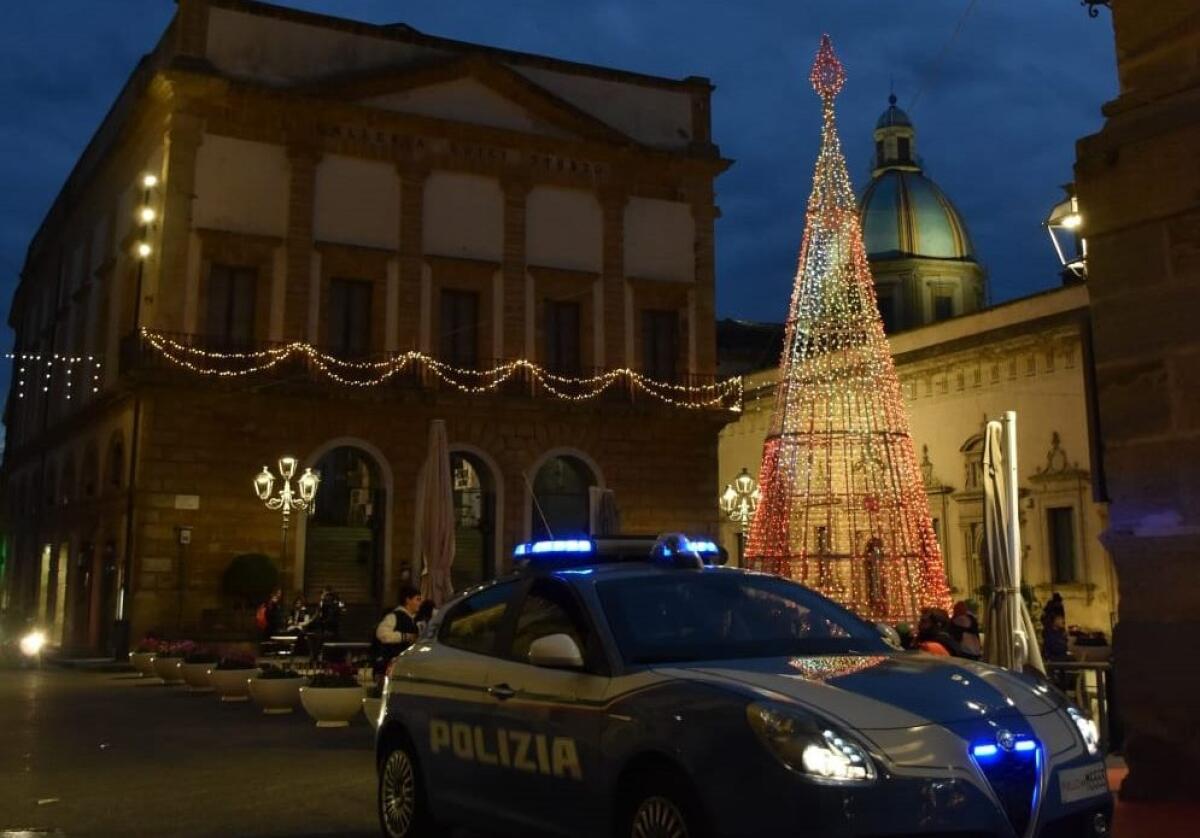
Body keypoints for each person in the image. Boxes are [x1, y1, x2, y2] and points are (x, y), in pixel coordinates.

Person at [374, 585, 423, 675]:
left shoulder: (414, 619)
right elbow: (382, 634)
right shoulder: (394, 616)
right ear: (408, 600)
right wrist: (405, 637)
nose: (420, 603)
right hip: (394, 665)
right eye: (417, 599)